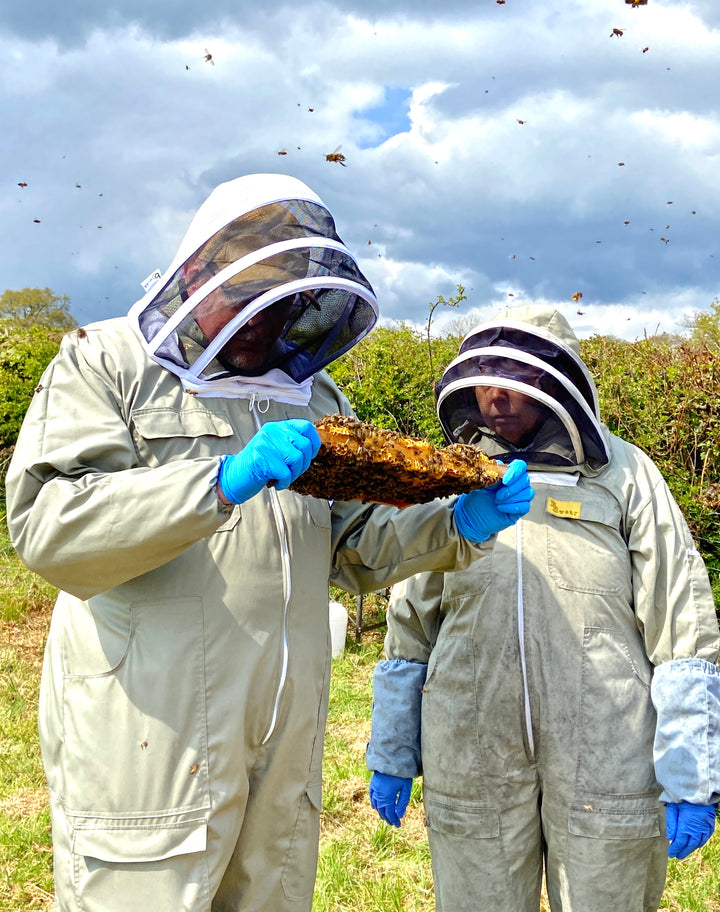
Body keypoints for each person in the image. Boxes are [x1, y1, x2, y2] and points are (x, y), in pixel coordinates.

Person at [4, 173, 534, 912]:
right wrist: (217, 483)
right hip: (151, 741)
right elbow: (50, 527)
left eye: (282, 303)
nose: (260, 321)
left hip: (282, 751)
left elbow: (352, 544)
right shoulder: (108, 364)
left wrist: (455, 526)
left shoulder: (311, 395)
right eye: (245, 296)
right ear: (201, 273)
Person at [366, 306, 720, 912]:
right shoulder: (452, 478)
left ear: (557, 380)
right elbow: (411, 616)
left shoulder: (625, 474)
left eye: (516, 378)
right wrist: (393, 745)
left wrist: (690, 764)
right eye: (485, 377)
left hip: (607, 749)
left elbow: (679, 614)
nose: (497, 396)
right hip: (472, 743)